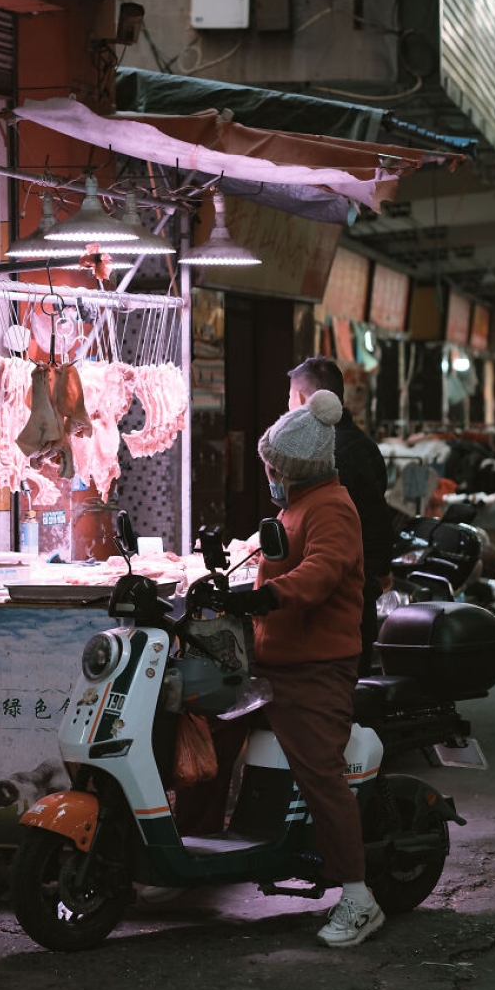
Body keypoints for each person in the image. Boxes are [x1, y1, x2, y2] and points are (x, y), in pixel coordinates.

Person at [175, 390, 385, 948]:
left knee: (320, 771)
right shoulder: (296, 504)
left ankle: (360, 898)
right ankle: (184, 861)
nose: (268, 475)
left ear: (293, 468)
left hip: (317, 667)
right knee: (205, 737)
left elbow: (320, 572)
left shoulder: (333, 507)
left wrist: (264, 599)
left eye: (272, 468)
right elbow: (281, 557)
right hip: (269, 661)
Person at [287, 356, 394, 676]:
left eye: (290, 398)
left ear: (304, 399)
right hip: (359, 586)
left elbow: (329, 534)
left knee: (339, 689)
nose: (288, 407)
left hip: (341, 593)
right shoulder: (362, 443)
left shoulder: (328, 454)